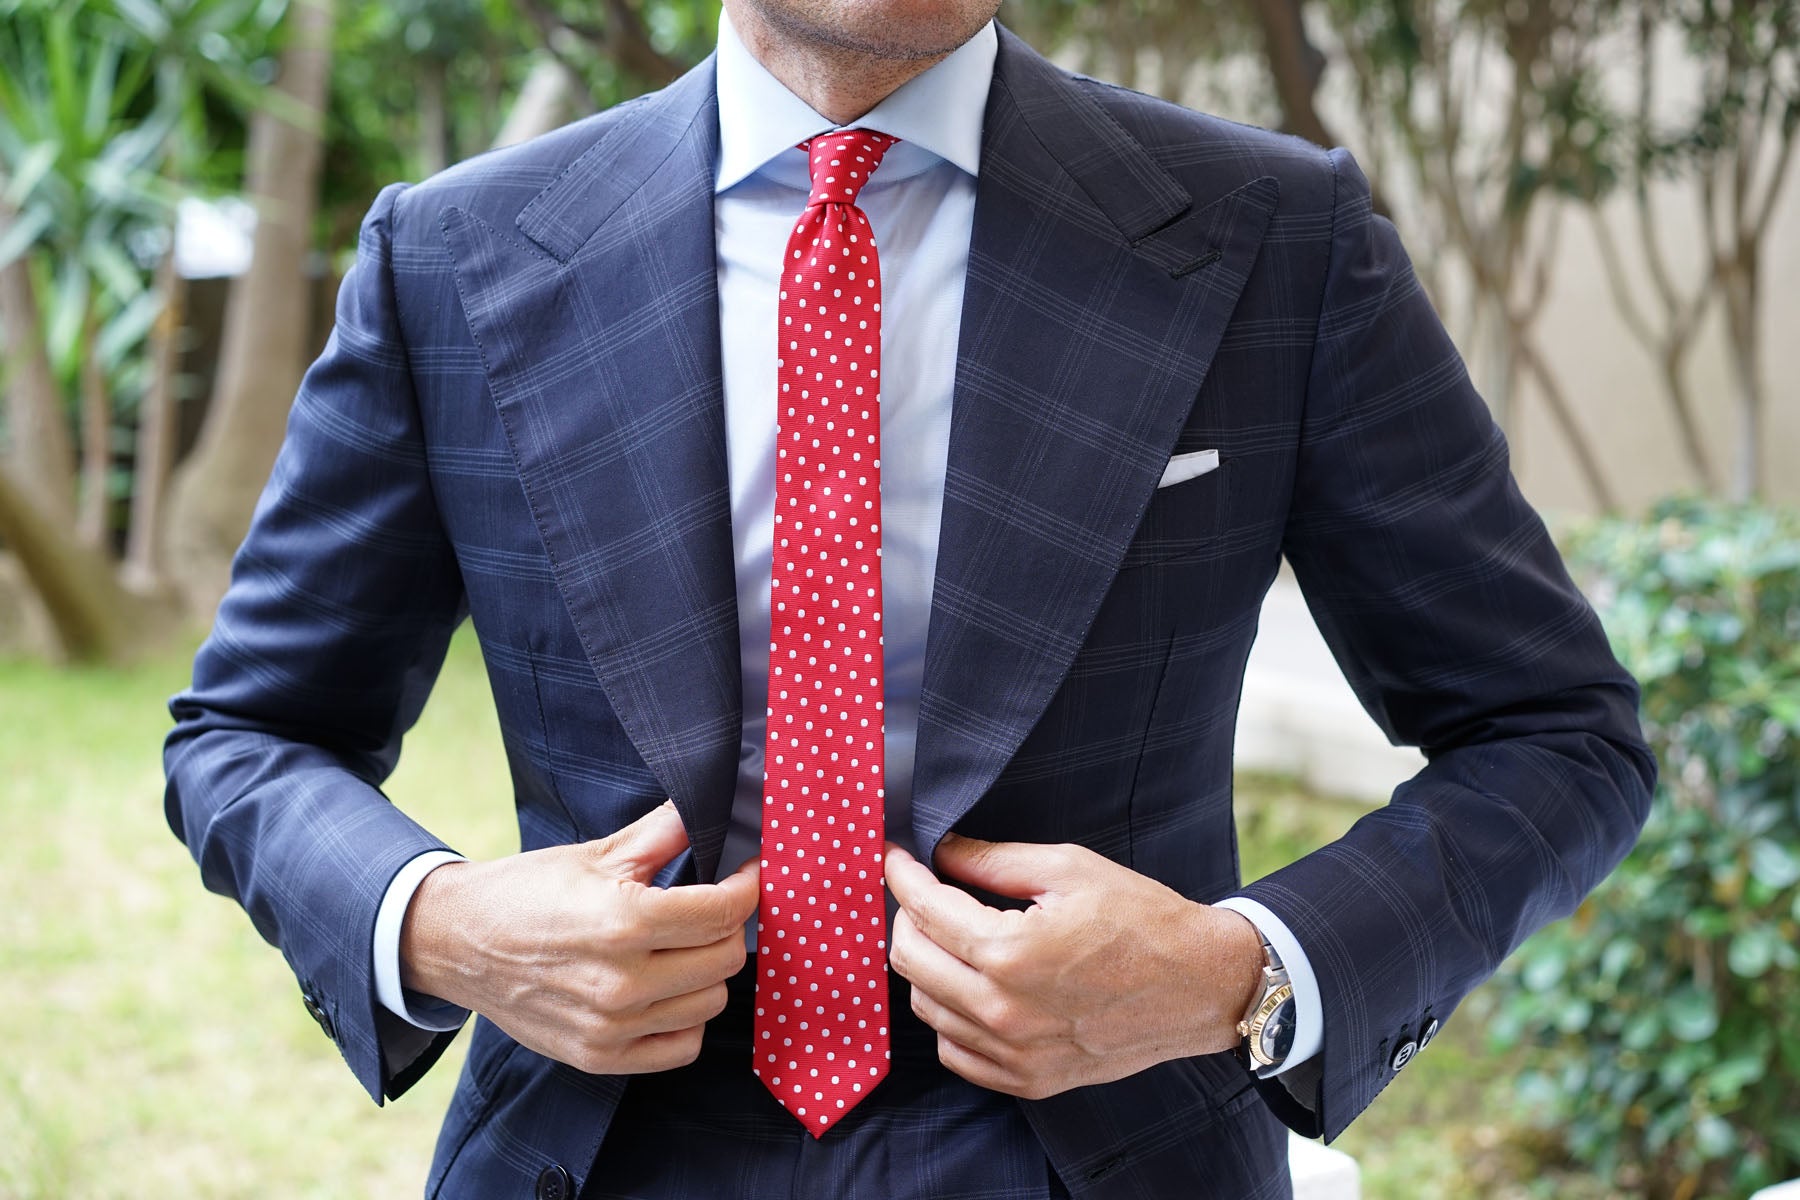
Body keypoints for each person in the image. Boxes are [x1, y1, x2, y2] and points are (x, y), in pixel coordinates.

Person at [162, 0, 1656, 1196]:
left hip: (1111, 1144)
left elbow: (1555, 734)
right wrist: (445, 927)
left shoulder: (1277, 237)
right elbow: (248, 731)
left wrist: (1237, 971)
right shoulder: (456, 255)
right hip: (597, 1146)